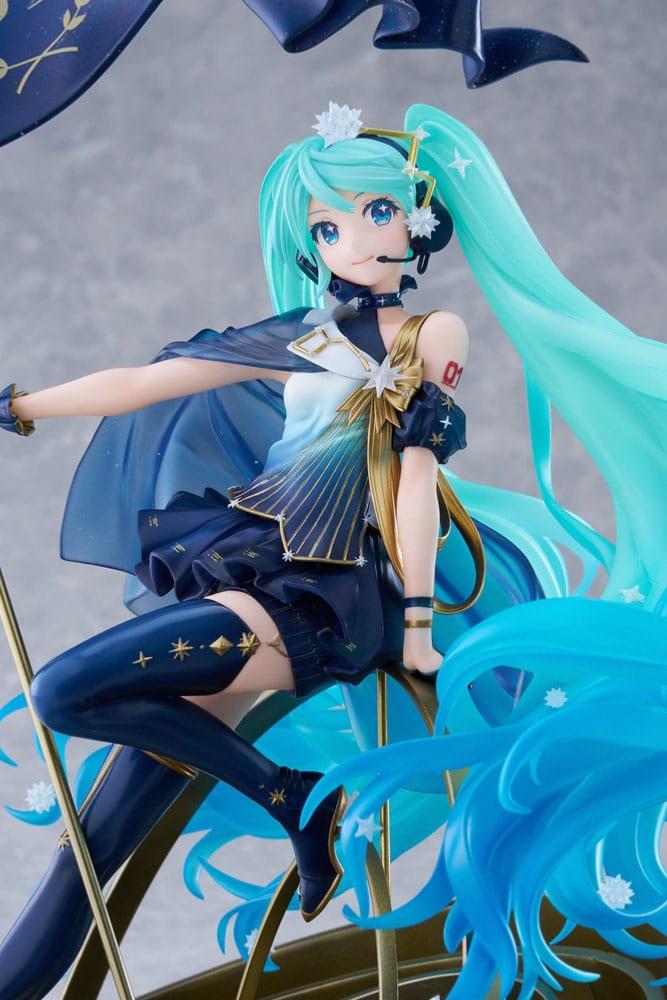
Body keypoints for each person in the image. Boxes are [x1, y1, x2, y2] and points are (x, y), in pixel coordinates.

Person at [1, 101, 665, 998]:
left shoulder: (427, 336)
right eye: (327, 225)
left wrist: (418, 621)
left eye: (376, 211)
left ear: (417, 218)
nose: (353, 238)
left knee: (63, 691)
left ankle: (291, 798)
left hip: (329, 596)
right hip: (256, 566)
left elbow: (418, 480)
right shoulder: (297, 335)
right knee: (92, 846)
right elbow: (142, 382)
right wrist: (22, 405)